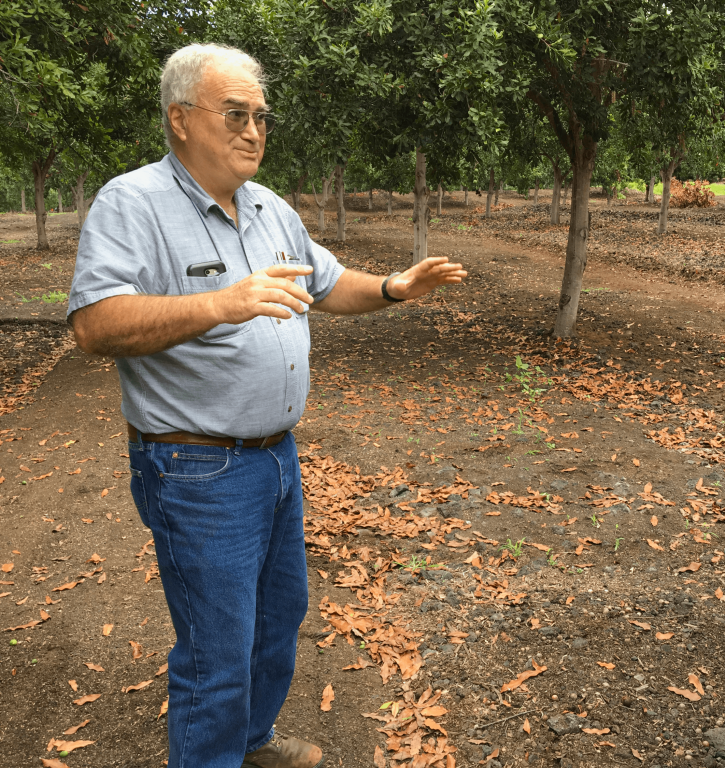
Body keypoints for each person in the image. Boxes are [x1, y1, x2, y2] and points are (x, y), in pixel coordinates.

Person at [67, 43, 467, 768]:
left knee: (277, 621)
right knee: (216, 651)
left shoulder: (268, 207)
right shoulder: (132, 203)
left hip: (276, 459)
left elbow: (326, 282)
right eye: (236, 114)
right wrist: (220, 303)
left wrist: (391, 289)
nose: (254, 130)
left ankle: (251, 742)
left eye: (261, 117)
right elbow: (95, 324)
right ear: (181, 118)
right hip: (195, 467)